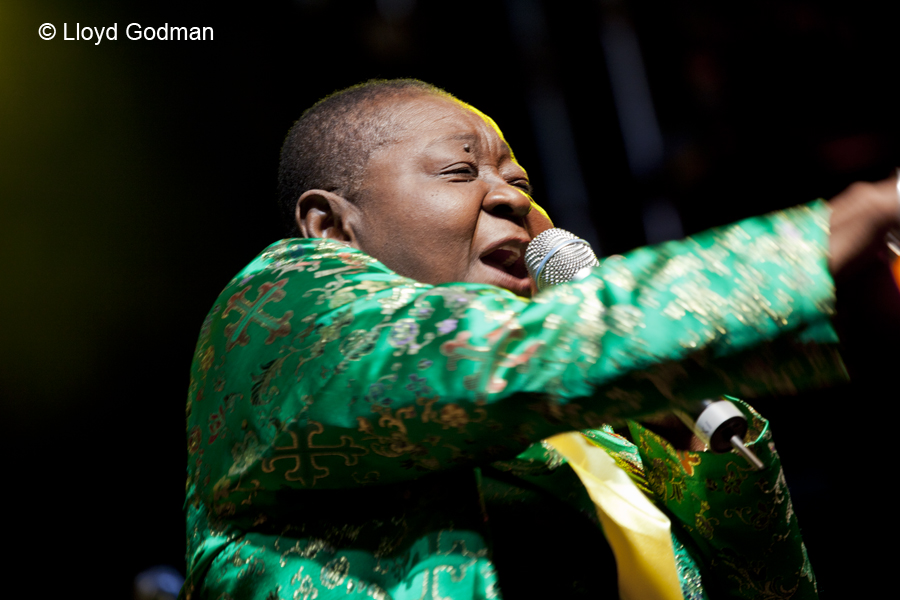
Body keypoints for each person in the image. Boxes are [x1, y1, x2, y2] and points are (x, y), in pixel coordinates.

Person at [179, 79, 899, 600]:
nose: (513, 198)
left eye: (519, 180)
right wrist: (840, 229)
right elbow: (481, 363)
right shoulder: (282, 317)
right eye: (460, 170)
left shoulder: (610, 430)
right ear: (333, 225)